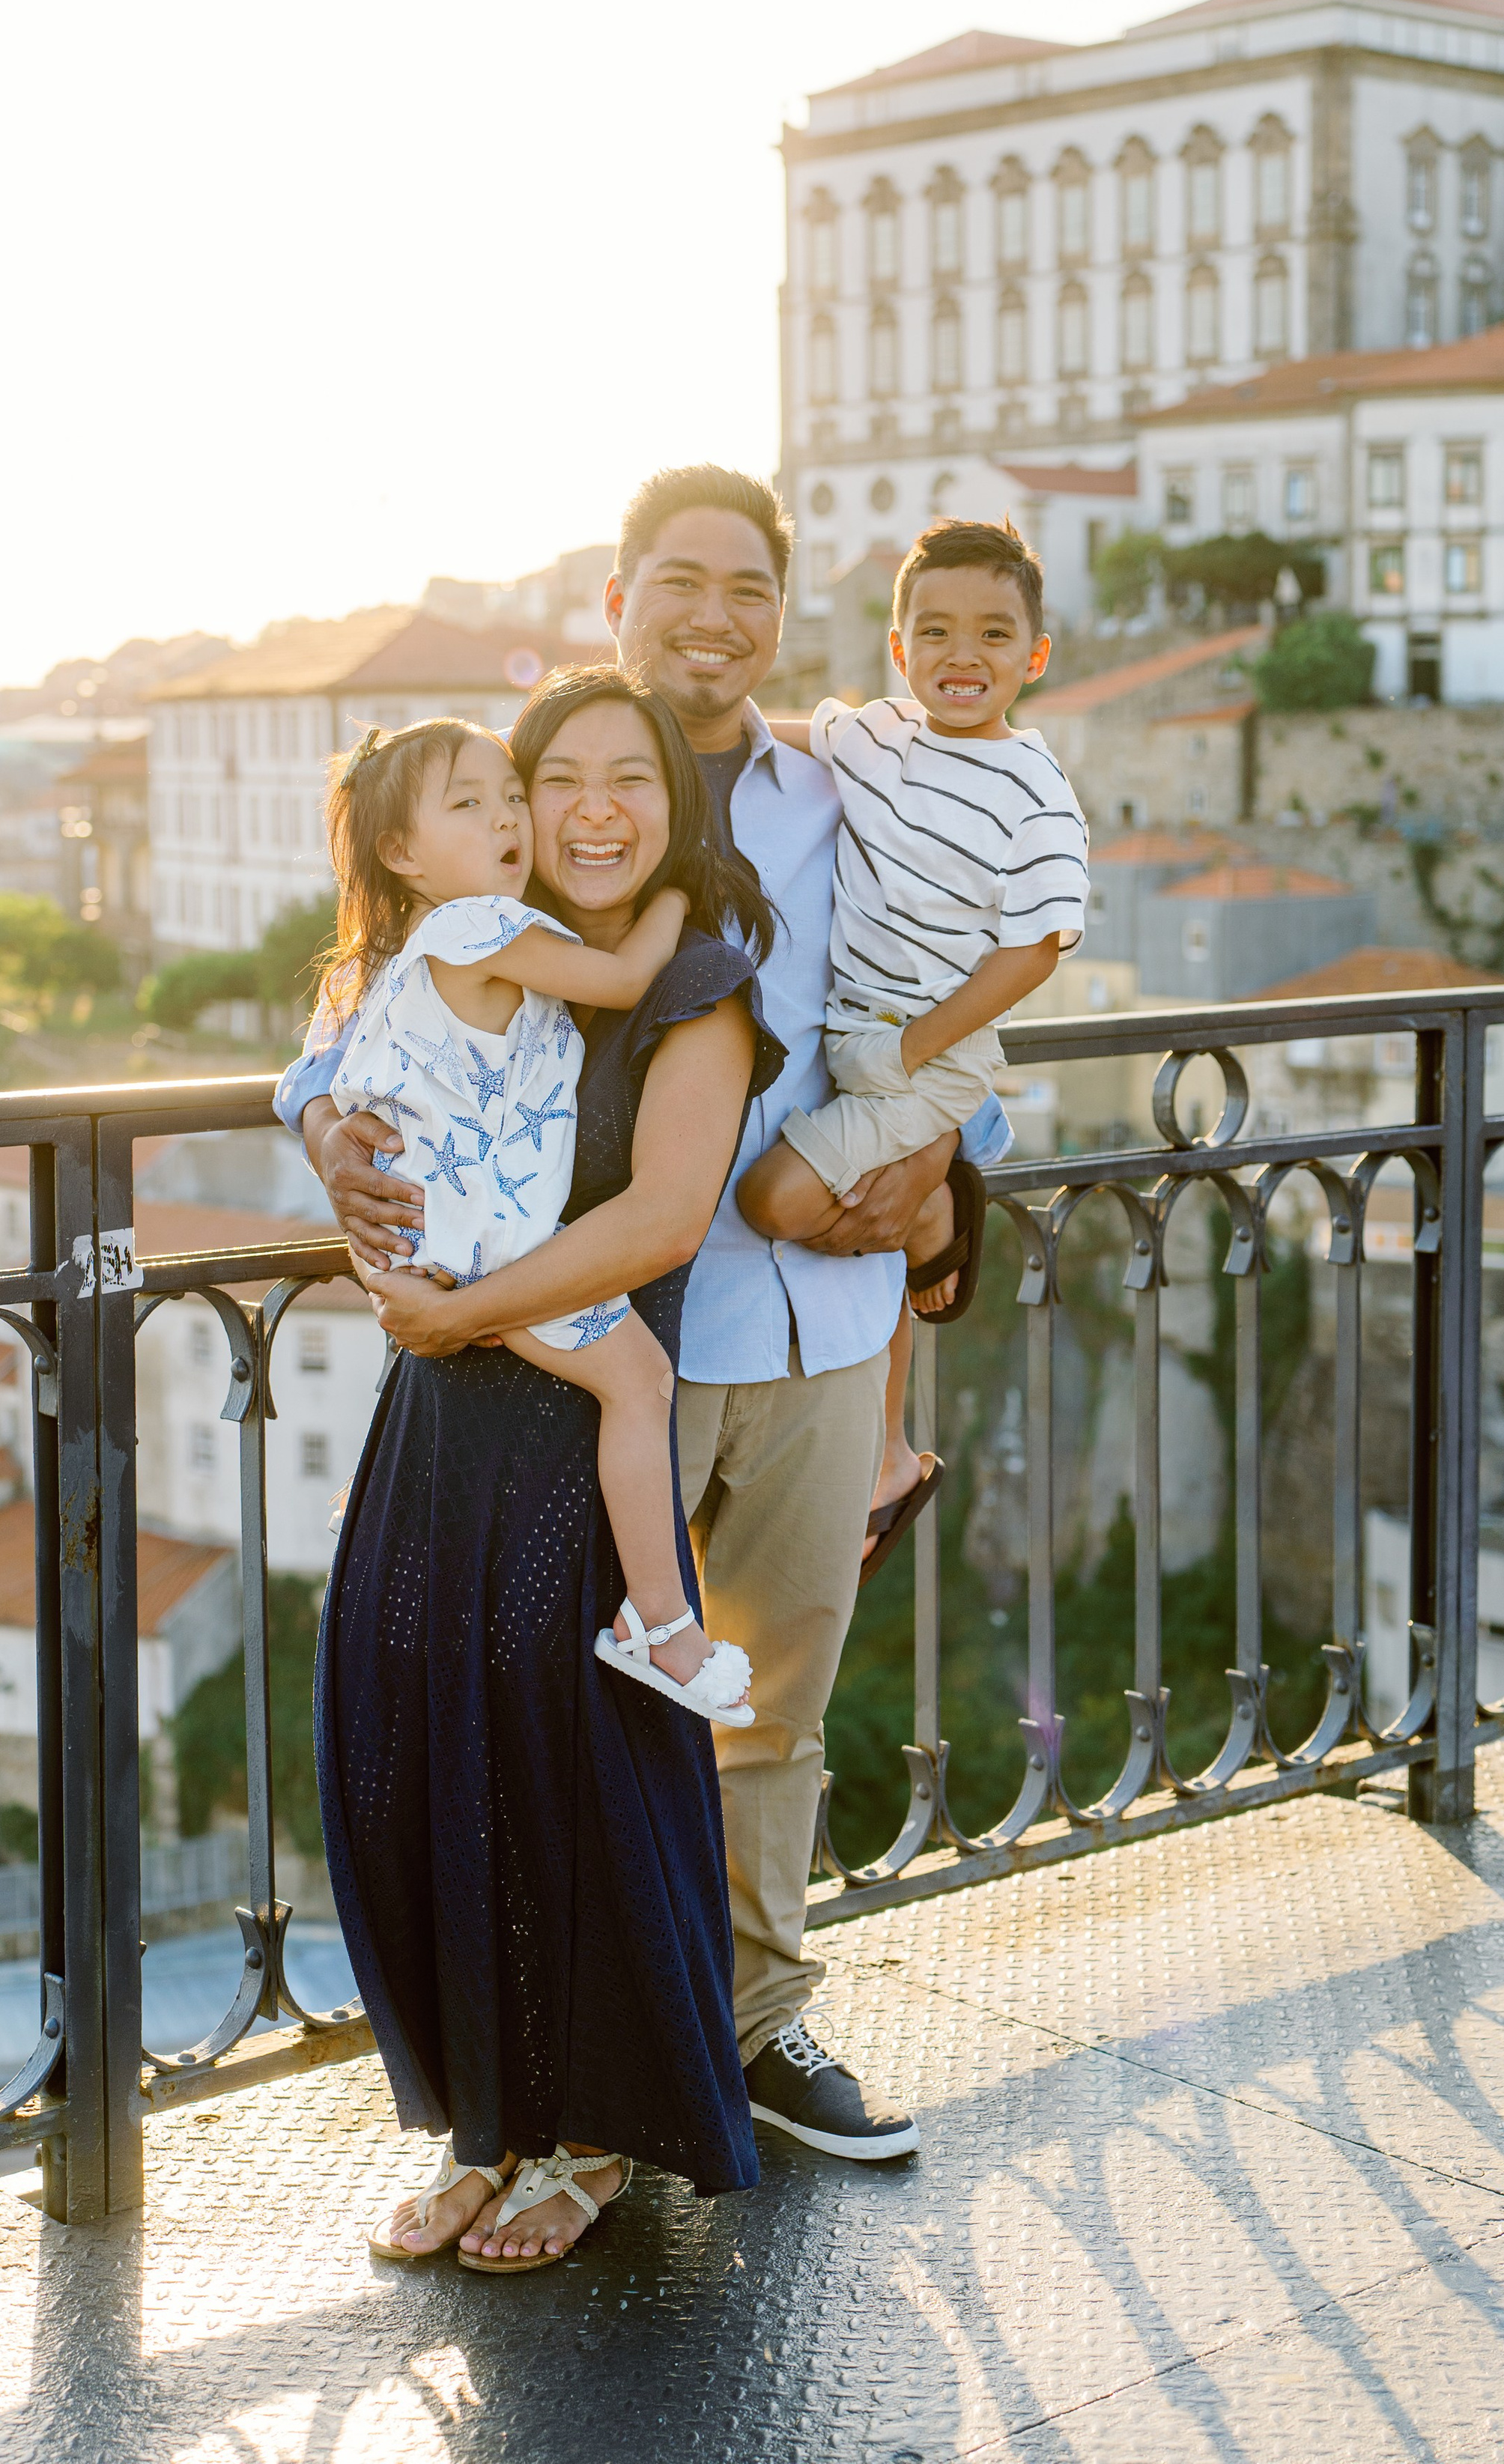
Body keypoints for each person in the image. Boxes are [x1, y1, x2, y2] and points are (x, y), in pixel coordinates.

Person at [288, 465, 1004, 2165]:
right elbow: (372, 989)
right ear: (617, 601)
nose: (713, 615)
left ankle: (751, 2025)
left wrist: (956, 1163)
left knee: (773, 1710)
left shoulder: (853, 787)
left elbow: (950, 984)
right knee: (589, 1726)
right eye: (677, 580)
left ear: (784, 612)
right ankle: (595, 2104)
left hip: (823, 1319)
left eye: (747, 586)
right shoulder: (526, 804)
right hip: (621, 1327)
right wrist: (323, 1123)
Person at [293, 667, 785, 2269]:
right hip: (444, 1418)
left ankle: (591, 2136)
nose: (582, 810)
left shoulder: (694, 982)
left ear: (672, 803)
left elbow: (661, 1219)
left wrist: (454, 1311)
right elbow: (335, 1066)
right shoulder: (468, 947)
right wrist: (333, 1142)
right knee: (436, 1760)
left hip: (568, 1428)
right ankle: (485, 2123)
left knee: (577, 1779)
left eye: (624, 778)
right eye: (546, 778)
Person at [315, 713, 752, 1720]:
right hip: (487, 1239)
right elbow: (626, 980)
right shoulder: (479, 927)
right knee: (640, 1381)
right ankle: (662, 1626)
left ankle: (654, 1622)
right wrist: (679, 894)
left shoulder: (422, 947)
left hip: (451, 1238)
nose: (507, 820)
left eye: (510, 797)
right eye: (472, 805)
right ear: (402, 853)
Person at [737, 518, 1089, 1563]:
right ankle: (889, 1451)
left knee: (773, 1202)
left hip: (924, 1057)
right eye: (935, 631)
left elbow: (1036, 952)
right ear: (899, 648)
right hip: (854, 1040)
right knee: (862, 1211)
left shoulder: (1036, 791)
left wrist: (914, 1050)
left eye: (993, 634)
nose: (961, 654)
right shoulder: (880, 735)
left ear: (1035, 655)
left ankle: (936, 1201)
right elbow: (766, 732)